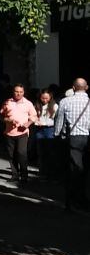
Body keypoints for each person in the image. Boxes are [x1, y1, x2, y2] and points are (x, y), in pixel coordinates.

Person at [54, 78, 90, 211]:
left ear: (73, 88)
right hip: (88, 138)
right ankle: (82, 198)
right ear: (86, 88)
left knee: (74, 169)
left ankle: (71, 200)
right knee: (84, 170)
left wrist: (57, 135)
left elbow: (59, 122)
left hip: (73, 138)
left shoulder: (65, 101)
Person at [0, 83, 37, 184]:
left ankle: (24, 175)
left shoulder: (28, 103)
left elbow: (34, 116)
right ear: (13, 92)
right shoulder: (8, 102)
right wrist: (9, 120)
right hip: (9, 133)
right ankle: (15, 174)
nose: (18, 94)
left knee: (21, 153)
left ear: (23, 92)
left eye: (21, 92)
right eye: (16, 92)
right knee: (11, 155)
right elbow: (2, 116)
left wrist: (27, 124)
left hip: (22, 132)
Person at [34, 89, 58, 179]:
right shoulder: (37, 105)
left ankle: (50, 172)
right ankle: (42, 171)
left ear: (50, 97)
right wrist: (36, 121)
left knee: (50, 152)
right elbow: (33, 116)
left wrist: (44, 123)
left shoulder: (54, 106)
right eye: (42, 98)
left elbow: (55, 120)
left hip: (49, 129)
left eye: (46, 98)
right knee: (41, 151)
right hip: (39, 130)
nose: (44, 100)